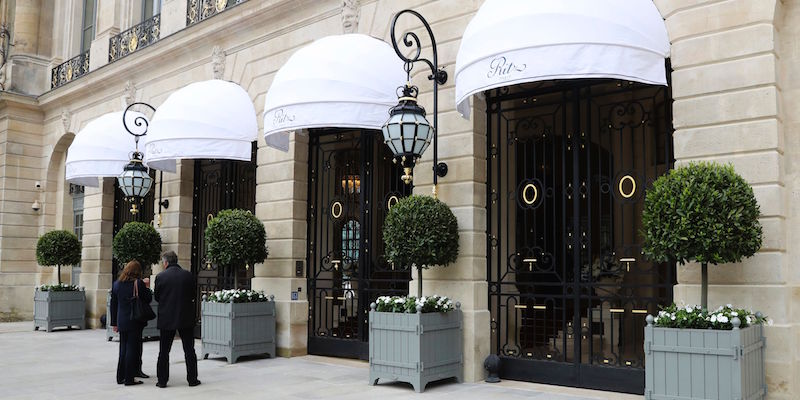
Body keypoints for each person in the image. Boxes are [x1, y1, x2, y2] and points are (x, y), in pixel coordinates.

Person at [154, 250, 200, 388]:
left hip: (167, 317)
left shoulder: (161, 277)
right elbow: (193, 294)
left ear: (166, 262)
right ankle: (192, 379)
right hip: (185, 316)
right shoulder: (187, 275)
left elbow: (157, 296)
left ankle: (162, 381)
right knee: (189, 350)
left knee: (164, 351)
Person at [111, 260, 151, 386]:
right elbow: (148, 299)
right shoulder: (138, 283)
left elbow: (113, 305)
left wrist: (114, 323)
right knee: (132, 349)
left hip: (122, 320)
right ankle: (129, 378)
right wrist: (147, 287)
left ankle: (120, 376)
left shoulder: (117, 284)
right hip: (135, 320)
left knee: (123, 348)